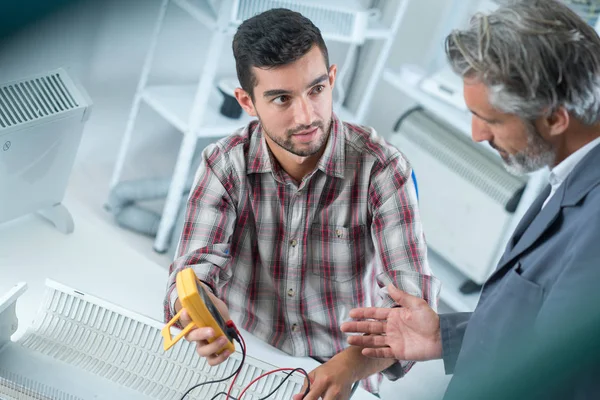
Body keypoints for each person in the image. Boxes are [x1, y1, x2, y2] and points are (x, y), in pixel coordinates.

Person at [163, 7, 440, 399]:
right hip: (249, 361)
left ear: (331, 79)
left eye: (316, 90)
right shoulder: (223, 164)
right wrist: (198, 310)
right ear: (246, 101)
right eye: (281, 99)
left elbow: (415, 310)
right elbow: (189, 273)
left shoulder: (383, 169)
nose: (307, 115)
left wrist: (350, 365)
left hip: (347, 371)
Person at [341, 0, 600, 398]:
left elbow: (557, 383)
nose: (478, 134)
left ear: (554, 117)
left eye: (492, 120)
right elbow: (536, 332)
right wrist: (447, 336)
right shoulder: (573, 170)